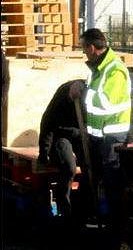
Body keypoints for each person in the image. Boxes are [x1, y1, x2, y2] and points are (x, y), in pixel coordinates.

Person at [68, 28, 132, 238]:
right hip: (98, 136)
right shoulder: (99, 69)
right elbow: (96, 92)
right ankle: (97, 221)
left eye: (84, 49)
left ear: (92, 48)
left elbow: (106, 102)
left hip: (113, 138)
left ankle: (117, 230)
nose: (84, 54)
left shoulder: (114, 70)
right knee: (94, 178)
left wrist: (84, 91)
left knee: (113, 183)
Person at [37, 79, 86, 220]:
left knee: (88, 168)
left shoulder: (89, 96)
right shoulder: (62, 96)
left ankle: (83, 208)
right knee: (69, 167)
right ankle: (65, 208)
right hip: (62, 135)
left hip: (83, 135)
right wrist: (44, 152)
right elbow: (47, 122)